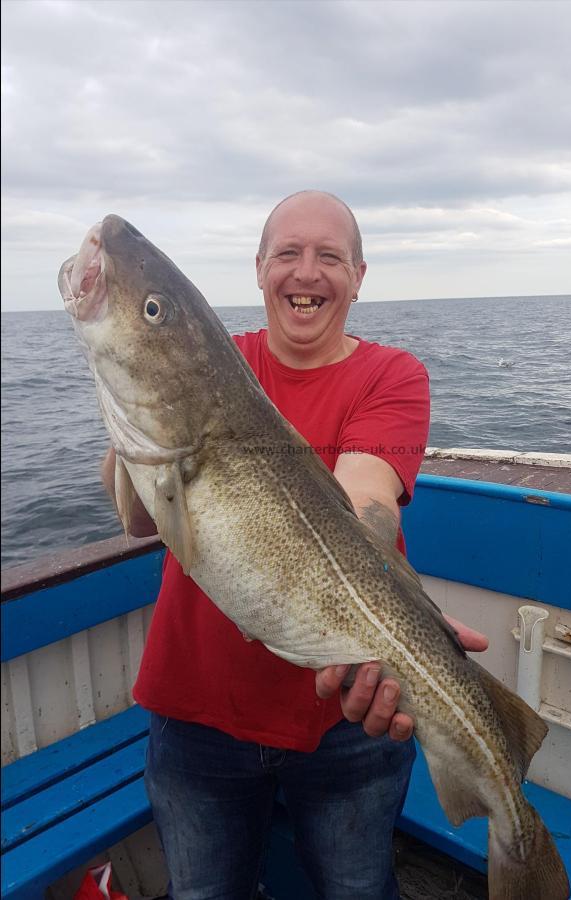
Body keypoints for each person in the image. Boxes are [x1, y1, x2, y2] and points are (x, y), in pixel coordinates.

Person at [101, 190, 487, 900]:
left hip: (346, 723)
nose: (306, 273)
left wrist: (409, 623)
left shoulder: (392, 376)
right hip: (194, 713)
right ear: (258, 269)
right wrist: (130, 397)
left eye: (328, 257)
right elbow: (136, 520)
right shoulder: (210, 365)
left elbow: (366, 500)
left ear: (359, 275)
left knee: (356, 890)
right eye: (288, 253)